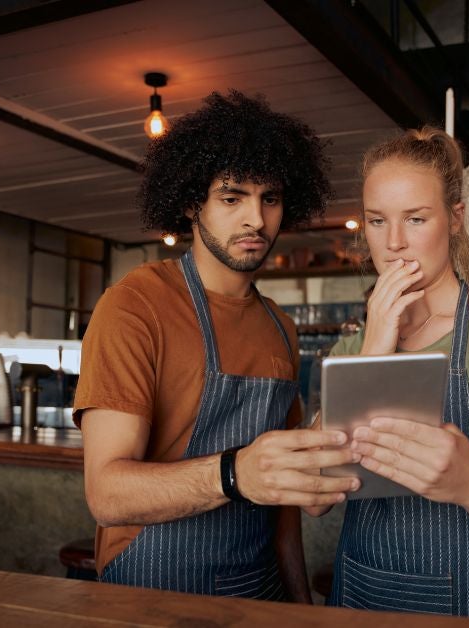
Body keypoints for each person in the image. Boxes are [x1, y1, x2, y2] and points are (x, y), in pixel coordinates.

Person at [73, 91, 360, 602]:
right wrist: (234, 473)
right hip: (155, 588)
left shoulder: (280, 327)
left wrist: (299, 603)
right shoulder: (134, 306)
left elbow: (283, 501)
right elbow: (107, 493)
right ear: (191, 202)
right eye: (232, 198)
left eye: (269, 198)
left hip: (261, 588)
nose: (255, 219)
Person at [313, 127, 469, 619]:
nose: (394, 244)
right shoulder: (352, 348)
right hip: (357, 604)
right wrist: (374, 350)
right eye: (377, 221)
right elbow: (315, 501)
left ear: (454, 219)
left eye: (416, 218)